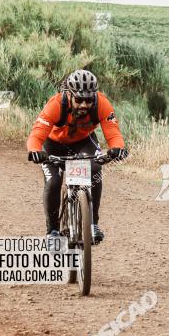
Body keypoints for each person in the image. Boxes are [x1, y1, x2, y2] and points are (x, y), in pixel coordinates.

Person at [27, 69, 128, 244]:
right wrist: (35, 150)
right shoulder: (56, 104)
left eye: (88, 100)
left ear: (94, 97)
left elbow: (113, 134)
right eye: (79, 99)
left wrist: (117, 148)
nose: (83, 105)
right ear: (69, 94)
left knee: (95, 168)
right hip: (53, 144)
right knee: (54, 182)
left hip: (83, 141)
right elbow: (36, 135)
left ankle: (93, 224)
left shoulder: (102, 104)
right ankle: (52, 231)